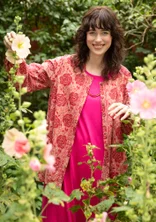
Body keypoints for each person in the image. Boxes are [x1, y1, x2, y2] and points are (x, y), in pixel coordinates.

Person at [4, 6, 132, 222]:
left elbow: (133, 128)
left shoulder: (122, 77)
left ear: (113, 37)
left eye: (104, 33)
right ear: (84, 36)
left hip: (104, 171)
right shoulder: (63, 67)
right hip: (64, 165)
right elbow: (24, 79)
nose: (98, 39)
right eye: (92, 32)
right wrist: (14, 53)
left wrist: (131, 113)